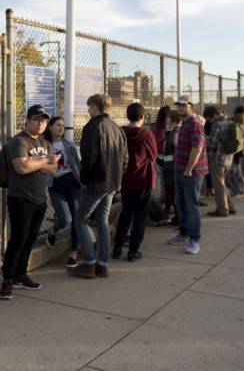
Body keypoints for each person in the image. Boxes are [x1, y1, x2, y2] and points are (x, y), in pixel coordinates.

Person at [0, 105, 59, 295]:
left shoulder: (45, 143)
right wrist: (44, 161)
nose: (40, 124)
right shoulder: (19, 142)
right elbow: (21, 168)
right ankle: (7, 279)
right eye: (36, 120)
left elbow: (54, 169)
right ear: (27, 120)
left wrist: (35, 163)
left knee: (30, 240)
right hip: (20, 199)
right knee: (18, 239)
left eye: (43, 121)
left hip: (39, 200)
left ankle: (21, 275)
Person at [69, 94, 128, 279]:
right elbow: (125, 159)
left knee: (80, 219)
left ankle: (89, 262)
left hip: (96, 182)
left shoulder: (93, 127)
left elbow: (89, 158)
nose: (88, 110)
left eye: (89, 106)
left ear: (95, 106)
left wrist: (84, 180)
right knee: (102, 219)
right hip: (112, 182)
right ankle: (103, 264)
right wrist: (117, 178)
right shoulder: (117, 129)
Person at [112, 103, 157, 262]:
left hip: (125, 179)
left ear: (128, 115)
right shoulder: (146, 135)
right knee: (139, 217)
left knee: (125, 213)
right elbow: (153, 155)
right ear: (142, 117)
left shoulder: (120, 133)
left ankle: (117, 247)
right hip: (143, 179)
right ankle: (133, 250)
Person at [167, 96, 209, 255]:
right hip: (181, 169)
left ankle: (194, 239)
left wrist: (188, 169)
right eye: (178, 106)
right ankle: (183, 233)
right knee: (181, 203)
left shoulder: (195, 124)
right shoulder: (185, 123)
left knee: (191, 205)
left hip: (191, 172)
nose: (180, 108)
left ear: (191, 106)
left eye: (183, 106)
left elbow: (197, 148)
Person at [43, 117, 82, 266]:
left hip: (72, 182)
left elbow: (77, 165)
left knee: (76, 218)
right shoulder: (44, 145)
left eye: (63, 126)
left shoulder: (69, 145)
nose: (61, 128)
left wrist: (82, 182)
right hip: (56, 183)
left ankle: (73, 253)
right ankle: (53, 229)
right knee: (66, 219)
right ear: (50, 127)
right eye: (58, 125)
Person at [205, 106, 236, 217]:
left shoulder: (217, 124)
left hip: (218, 158)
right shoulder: (229, 122)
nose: (209, 121)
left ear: (213, 115)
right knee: (222, 183)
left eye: (208, 119)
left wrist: (203, 137)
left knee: (218, 185)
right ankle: (230, 206)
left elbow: (212, 143)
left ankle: (222, 209)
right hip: (228, 158)